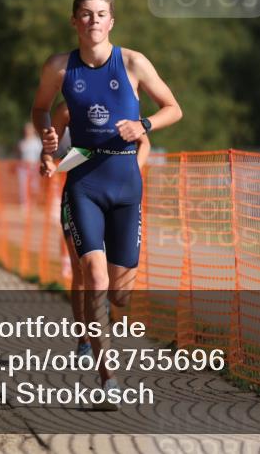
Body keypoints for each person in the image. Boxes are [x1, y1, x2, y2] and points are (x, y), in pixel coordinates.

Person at [32, 0, 182, 404]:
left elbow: (174, 107)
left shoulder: (133, 63)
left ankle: (94, 335)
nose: (93, 21)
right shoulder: (60, 68)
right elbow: (42, 109)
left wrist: (145, 126)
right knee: (92, 276)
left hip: (126, 186)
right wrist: (47, 142)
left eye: (100, 14)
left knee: (120, 294)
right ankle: (107, 375)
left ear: (111, 22)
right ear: (74, 21)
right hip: (83, 180)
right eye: (86, 14)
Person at [47, 101, 152, 360]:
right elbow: (54, 152)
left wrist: (131, 171)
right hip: (81, 195)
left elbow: (144, 143)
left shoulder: (124, 103)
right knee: (82, 272)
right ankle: (84, 338)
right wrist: (59, 159)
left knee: (113, 286)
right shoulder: (68, 109)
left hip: (119, 194)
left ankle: (99, 309)